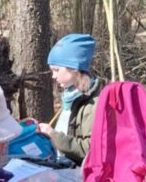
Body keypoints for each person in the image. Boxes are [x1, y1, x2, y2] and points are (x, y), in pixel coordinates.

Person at [36, 33, 102, 164]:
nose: (53, 76)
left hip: (80, 171)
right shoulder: (71, 97)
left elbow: (89, 149)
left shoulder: (93, 104)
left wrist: (53, 135)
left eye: (56, 70)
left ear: (74, 68)